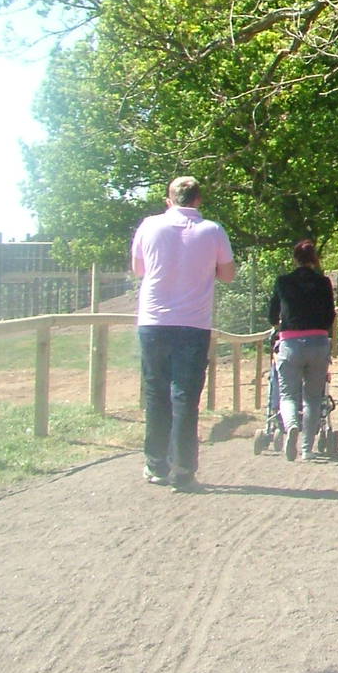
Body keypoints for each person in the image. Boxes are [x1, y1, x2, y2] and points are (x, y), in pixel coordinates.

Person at [130, 175, 235, 491]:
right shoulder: (213, 231)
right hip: (193, 322)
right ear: (199, 200)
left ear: (169, 200)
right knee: (185, 396)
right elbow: (228, 275)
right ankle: (184, 468)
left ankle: (156, 464)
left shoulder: (149, 226)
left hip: (153, 320)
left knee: (155, 392)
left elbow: (139, 269)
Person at [269, 238, 337, 460]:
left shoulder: (283, 282)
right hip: (318, 343)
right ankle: (307, 449)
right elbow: (330, 315)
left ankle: (291, 426)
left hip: (290, 343)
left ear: (295, 258)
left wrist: (279, 326)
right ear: (315, 259)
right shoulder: (323, 282)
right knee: (313, 398)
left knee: (287, 394)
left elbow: (271, 314)